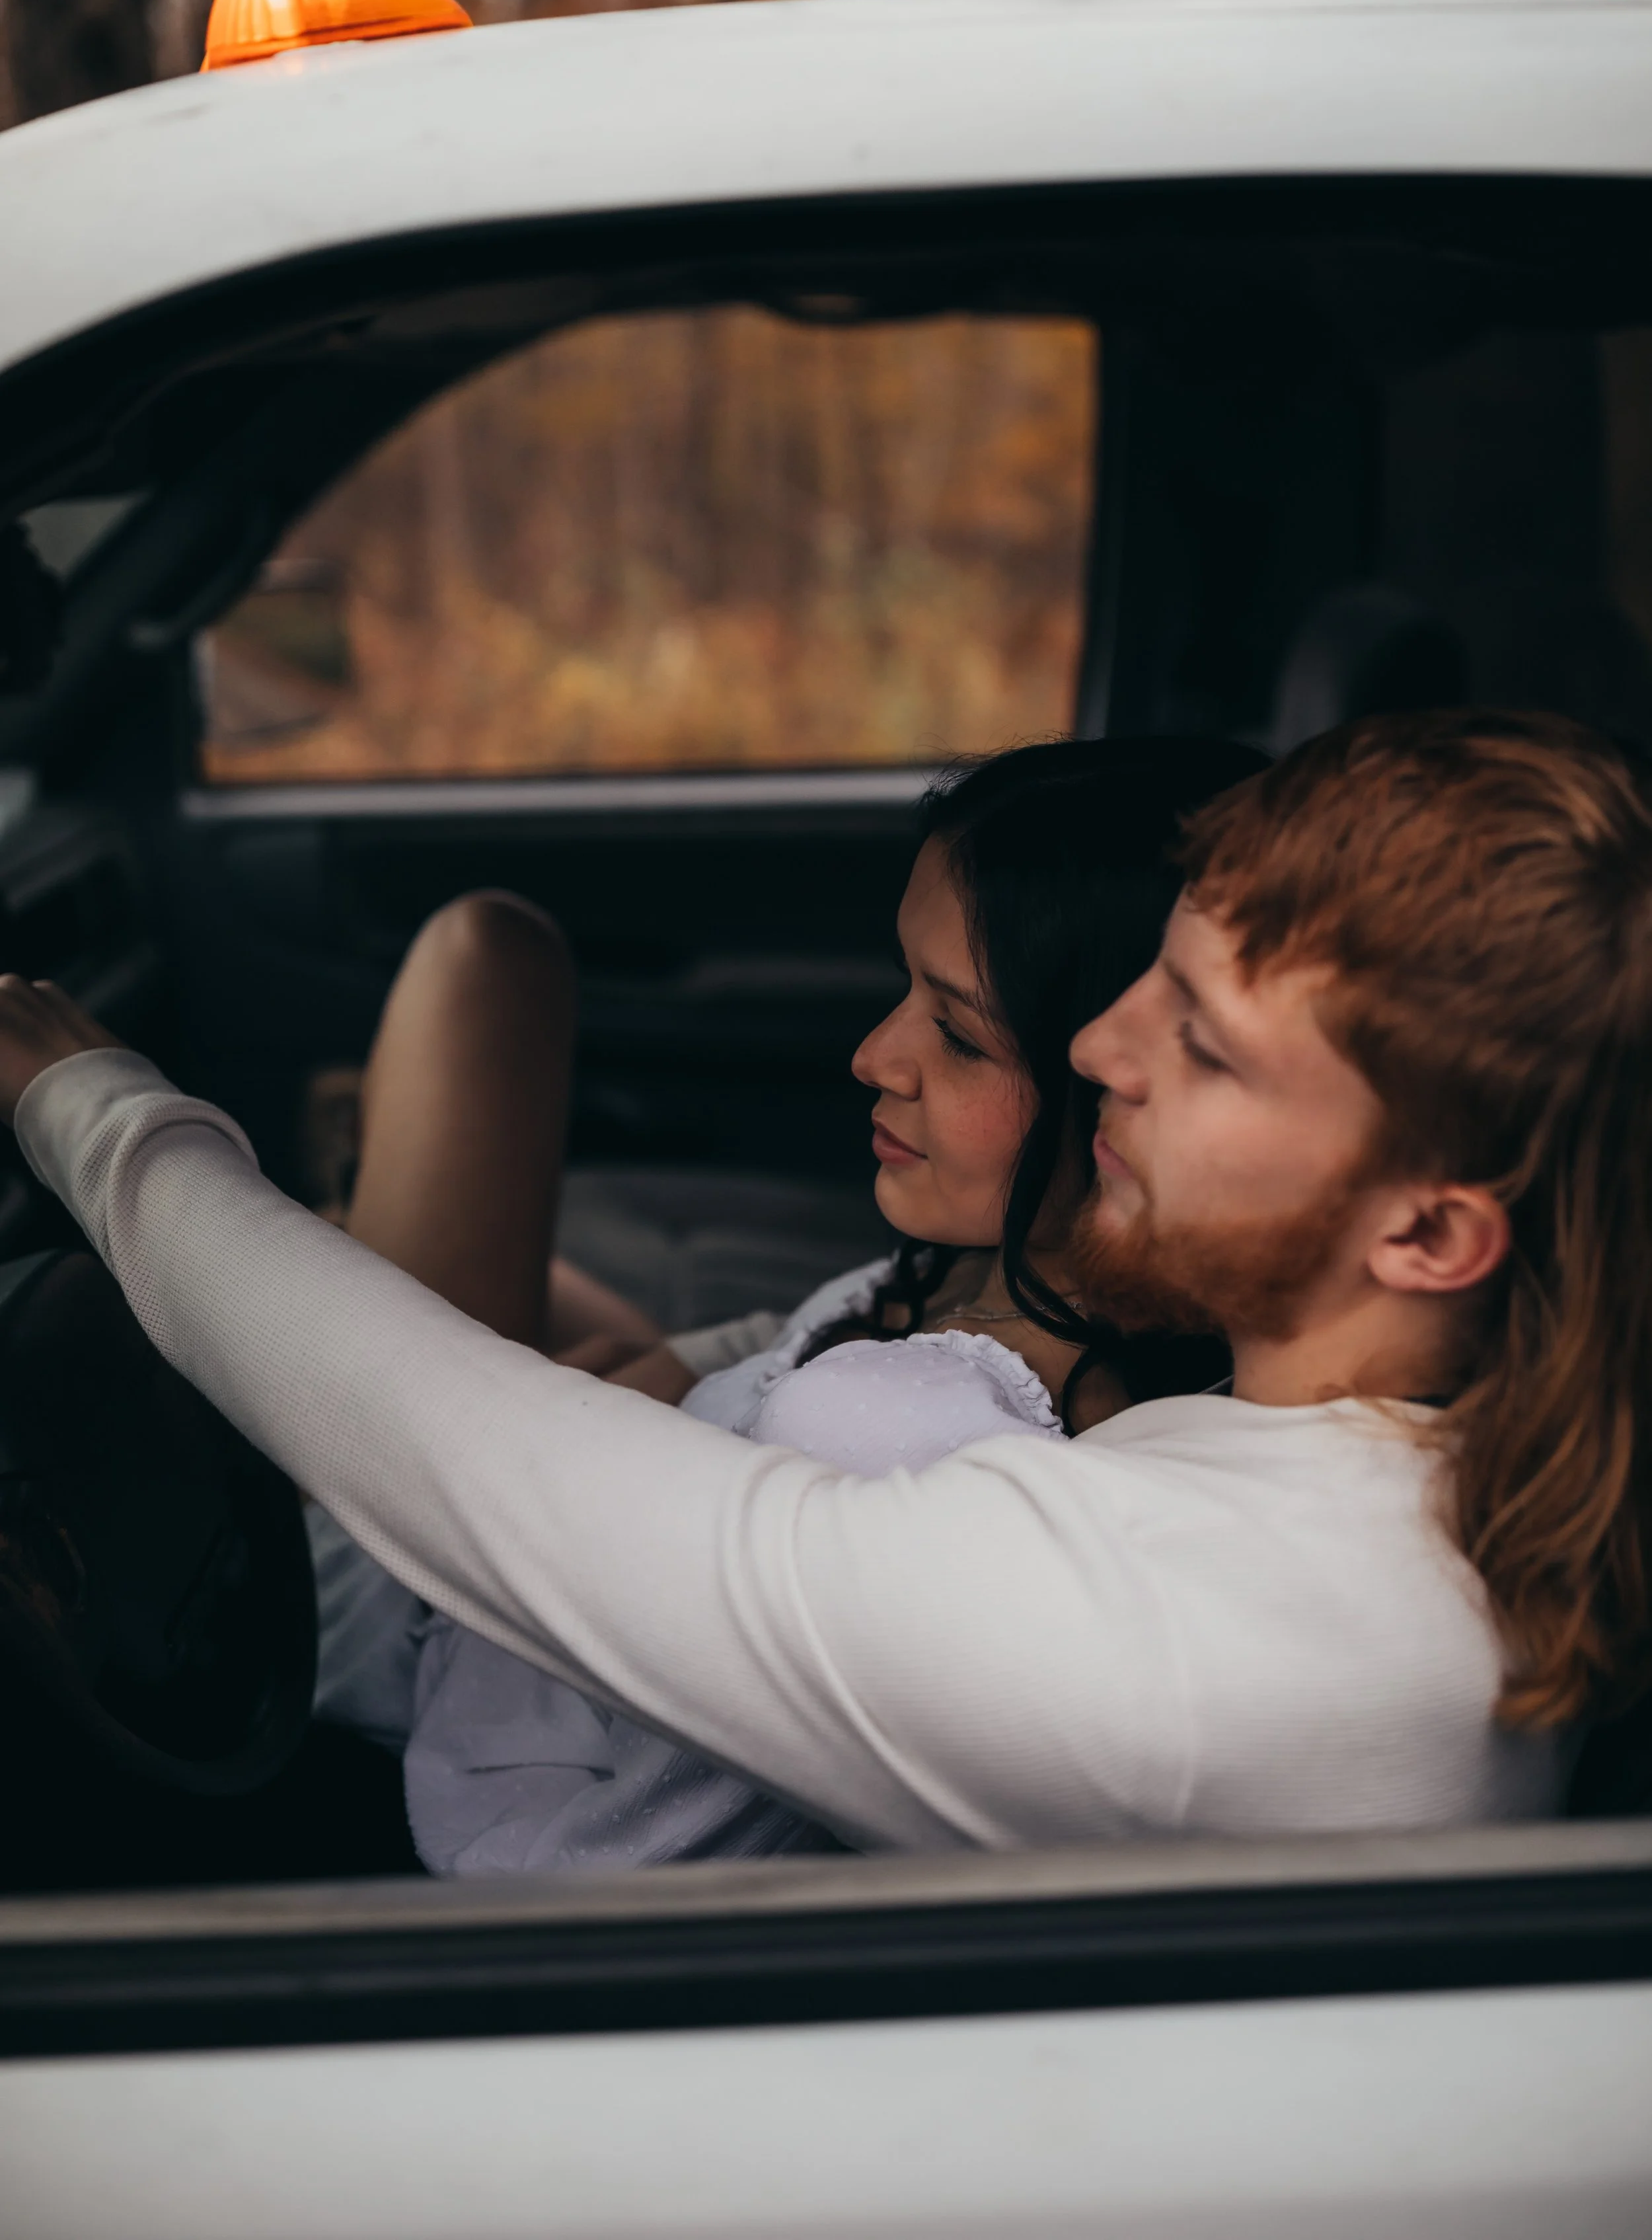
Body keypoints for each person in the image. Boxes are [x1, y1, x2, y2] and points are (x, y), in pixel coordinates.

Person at [2, 709, 1647, 1848]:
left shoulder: (1213, 1644)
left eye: (1199, 1050)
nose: (1095, 1049)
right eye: (1150, 985)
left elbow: (474, 1462)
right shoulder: (1327, 1477)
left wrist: (85, 1106)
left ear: (1427, 1238)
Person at [318, 738, 1248, 1873]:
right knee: (489, 969)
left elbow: (578, 1857)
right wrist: (667, 1399)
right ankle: (359, 1207)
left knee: (482, 951)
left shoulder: (906, 1427)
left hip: (415, 1600)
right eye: (904, 987)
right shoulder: (995, 1287)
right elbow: (790, 1352)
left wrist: (106, 1129)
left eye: (957, 1034)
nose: (871, 1056)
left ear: (1121, 1084)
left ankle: (349, 1205)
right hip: (542, 1509)